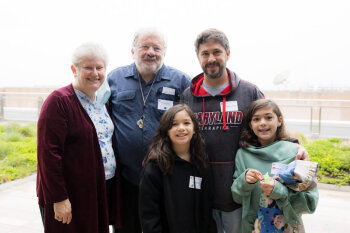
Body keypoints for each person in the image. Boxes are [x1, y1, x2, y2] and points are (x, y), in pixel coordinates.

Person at [181, 28, 309, 233]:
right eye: (205, 53)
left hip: (240, 193)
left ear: (228, 54)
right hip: (201, 191)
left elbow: (268, 123)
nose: (211, 58)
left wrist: (293, 146)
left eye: (217, 52)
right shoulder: (188, 96)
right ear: (198, 57)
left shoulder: (248, 91)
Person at [107, 28, 191, 233]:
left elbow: (191, 123)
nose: (150, 52)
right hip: (126, 177)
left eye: (156, 48)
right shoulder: (114, 79)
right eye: (144, 46)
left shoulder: (180, 81)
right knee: (126, 228)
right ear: (133, 50)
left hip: (166, 175)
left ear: (164, 52)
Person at [36, 42, 122, 233]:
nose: (95, 73)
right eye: (88, 67)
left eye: (99, 67)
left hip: (97, 190)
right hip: (70, 195)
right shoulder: (58, 101)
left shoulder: (101, 102)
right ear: (74, 69)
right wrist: (59, 198)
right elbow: (48, 154)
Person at [231, 99, 318, 233]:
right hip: (251, 227)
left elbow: (310, 203)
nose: (263, 123)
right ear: (250, 124)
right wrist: (244, 180)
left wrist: (278, 191)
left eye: (268, 117)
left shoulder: (296, 153)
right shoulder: (243, 154)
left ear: (279, 121)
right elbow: (236, 197)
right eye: (256, 119)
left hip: (287, 227)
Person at [139, 104, 216, 233]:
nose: (181, 128)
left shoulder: (202, 162)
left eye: (186, 123)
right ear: (166, 130)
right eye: (174, 124)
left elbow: (207, 206)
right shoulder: (155, 167)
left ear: (195, 128)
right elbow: (149, 216)